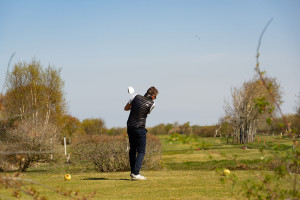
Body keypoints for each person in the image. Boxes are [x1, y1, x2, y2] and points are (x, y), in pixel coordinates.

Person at [124, 86, 158, 180]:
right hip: (140, 128)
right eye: (155, 96)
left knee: (132, 150)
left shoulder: (134, 96)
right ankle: (136, 173)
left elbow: (126, 108)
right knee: (141, 151)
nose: (155, 98)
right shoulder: (152, 104)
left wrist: (133, 106)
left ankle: (133, 172)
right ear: (153, 96)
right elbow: (146, 112)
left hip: (130, 127)